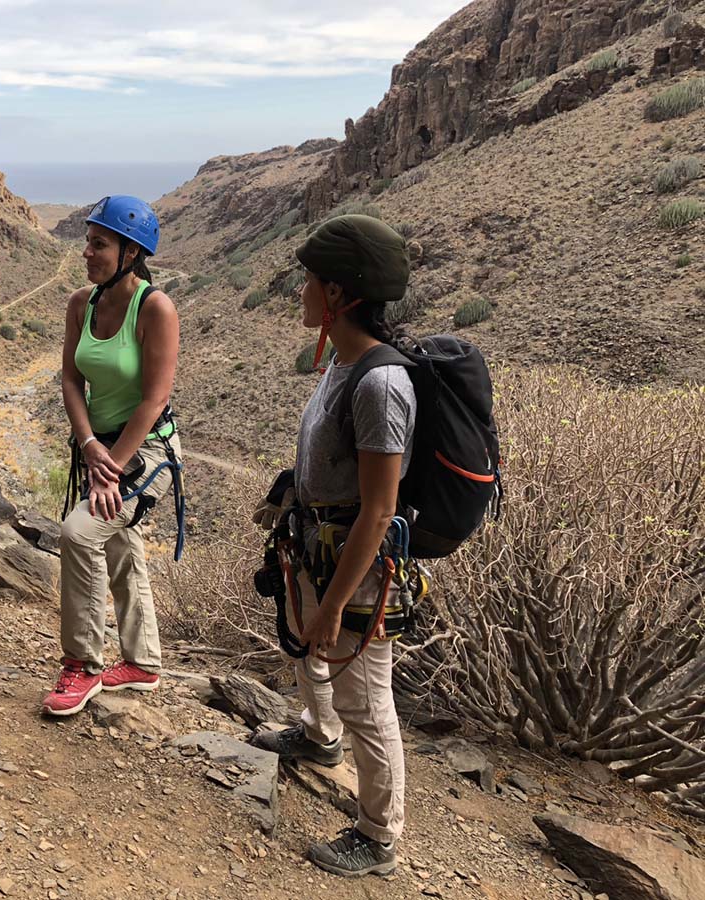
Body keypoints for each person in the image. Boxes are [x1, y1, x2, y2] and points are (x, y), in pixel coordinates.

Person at [251, 214, 415, 877]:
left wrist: (334, 605)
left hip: (359, 569)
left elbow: (379, 511)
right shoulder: (342, 364)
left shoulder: (379, 384)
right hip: (315, 549)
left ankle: (379, 837)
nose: (300, 293)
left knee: (368, 704)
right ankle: (320, 741)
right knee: (303, 645)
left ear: (340, 296)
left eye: (310, 283)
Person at [42, 195, 182, 717]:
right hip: (100, 446)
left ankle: (82, 664)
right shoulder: (81, 303)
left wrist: (112, 470)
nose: (86, 252)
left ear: (129, 252)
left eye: (98, 243)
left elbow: (154, 400)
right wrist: (89, 444)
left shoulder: (155, 308)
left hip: (146, 449)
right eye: (87, 241)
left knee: (81, 531)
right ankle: (143, 662)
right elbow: (71, 378)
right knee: (120, 541)